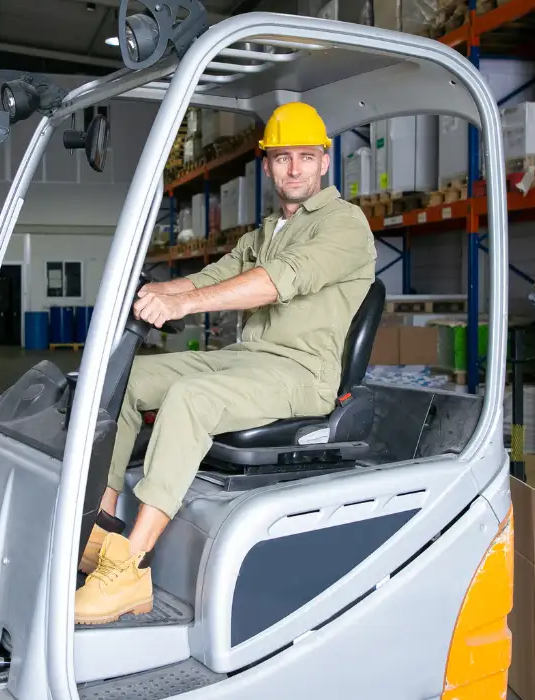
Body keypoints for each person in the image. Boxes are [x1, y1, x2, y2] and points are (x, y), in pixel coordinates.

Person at [73, 102, 378, 624]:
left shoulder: (345, 225)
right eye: (283, 158)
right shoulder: (265, 233)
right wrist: (150, 292)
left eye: (306, 157)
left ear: (324, 162)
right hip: (247, 360)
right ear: (268, 164)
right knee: (125, 378)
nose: (295, 169)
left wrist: (182, 305)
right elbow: (212, 277)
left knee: (190, 399)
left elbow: (280, 280)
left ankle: (130, 568)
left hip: (302, 374)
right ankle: (100, 529)